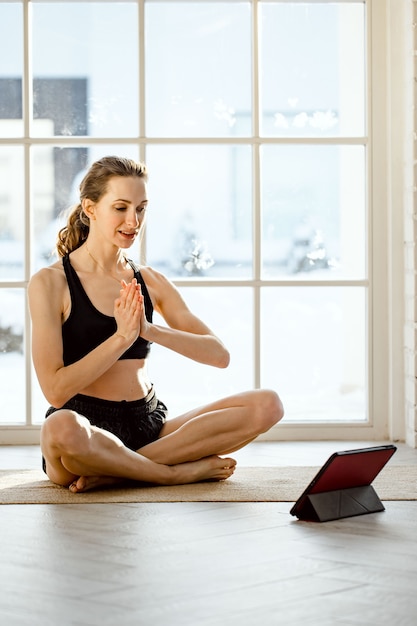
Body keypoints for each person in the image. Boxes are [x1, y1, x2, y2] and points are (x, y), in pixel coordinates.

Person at [28, 155, 284, 493]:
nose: (133, 221)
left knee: (267, 404)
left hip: (148, 423)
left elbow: (218, 355)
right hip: (84, 427)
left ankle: (120, 470)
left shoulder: (150, 280)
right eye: (120, 207)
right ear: (90, 208)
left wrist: (148, 330)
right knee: (61, 428)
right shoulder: (51, 283)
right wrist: (121, 337)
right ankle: (169, 473)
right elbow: (56, 391)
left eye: (141, 208)